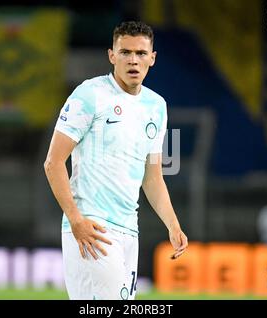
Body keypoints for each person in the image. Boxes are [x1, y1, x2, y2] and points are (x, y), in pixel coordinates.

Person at [43, 21, 188, 300]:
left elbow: (152, 177)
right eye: (125, 52)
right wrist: (76, 220)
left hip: (128, 232)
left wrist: (172, 225)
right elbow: (53, 162)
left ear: (152, 58)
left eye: (141, 53)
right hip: (92, 228)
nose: (133, 60)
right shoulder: (90, 95)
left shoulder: (157, 107)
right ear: (112, 55)